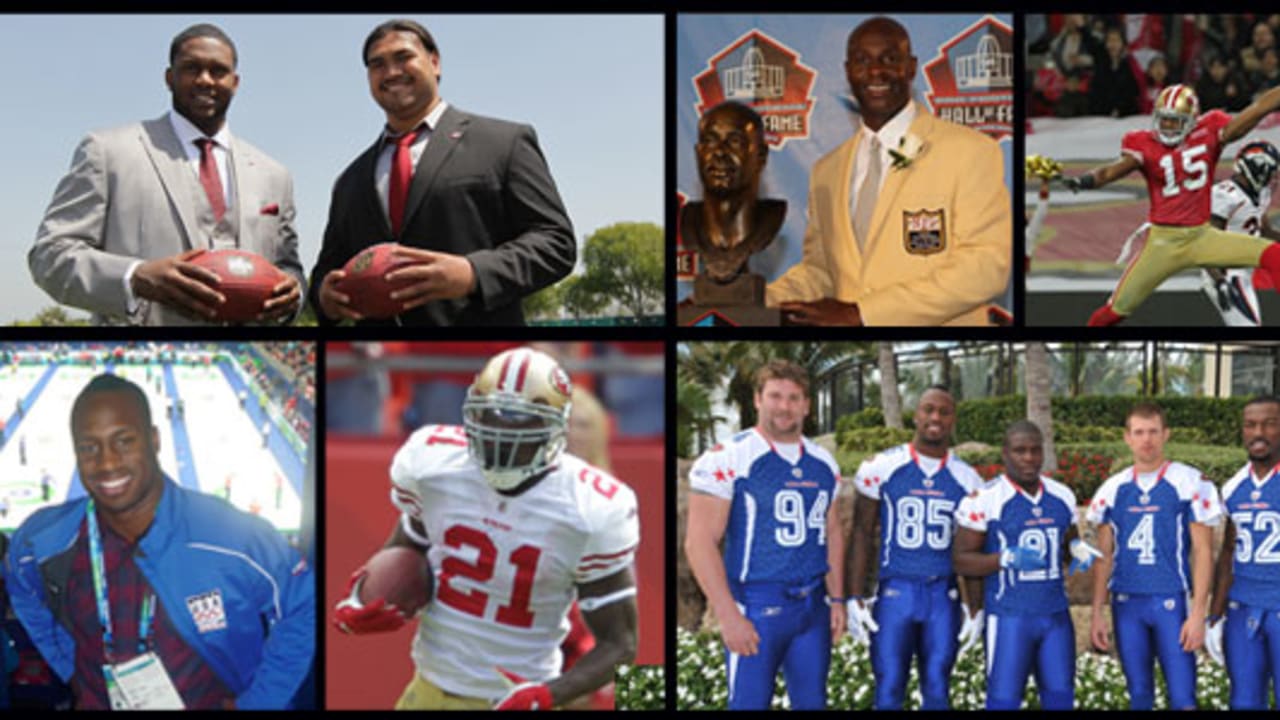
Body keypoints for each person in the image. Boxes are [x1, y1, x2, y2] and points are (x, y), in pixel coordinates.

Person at [333, 348, 638, 710]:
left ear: (555, 428)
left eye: (522, 423)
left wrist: (548, 694)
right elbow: (408, 548)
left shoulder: (590, 507)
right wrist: (362, 597)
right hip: (427, 686)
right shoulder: (435, 465)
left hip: (512, 696)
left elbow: (620, 644)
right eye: (491, 418)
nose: (503, 436)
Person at [2, 374, 314, 709]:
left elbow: (305, 605)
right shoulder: (44, 538)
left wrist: (257, 704)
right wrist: (69, 667)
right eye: (88, 447)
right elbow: (20, 583)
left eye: (124, 441)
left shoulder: (231, 536)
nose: (107, 463)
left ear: (154, 440)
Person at [28, 24, 304, 326]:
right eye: (191, 68)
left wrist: (293, 295)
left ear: (235, 82)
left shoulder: (274, 175)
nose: (205, 80)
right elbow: (50, 257)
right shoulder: (108, 151)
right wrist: (135, 277)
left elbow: (289, 268)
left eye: (218, 71)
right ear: (169, 78)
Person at [309, 19, 576, 327]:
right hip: (378, 362)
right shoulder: (350, 179)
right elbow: (327, 269)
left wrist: (473, 272)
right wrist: (325, 297)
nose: (391, 72)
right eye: (377, 64)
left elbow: (557, 243)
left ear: (434, 63)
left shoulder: (504, 142)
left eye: (403, 57)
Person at [766, 16, 1011, 326]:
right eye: (862, 61)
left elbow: (986, 268)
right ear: (847, 72)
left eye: (889, 59)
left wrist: (864, 314)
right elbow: (820, 273)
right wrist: (748, 304)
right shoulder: (826, 170)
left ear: (910, 67)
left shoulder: (970, 150)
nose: (875, 71)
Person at [684, 360, 844, 710]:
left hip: (812, 605)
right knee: (748, 704)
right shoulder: (730, 457)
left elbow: (831, 531)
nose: (784, 406)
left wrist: (838, 600)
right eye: (775, 396)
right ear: (757, 399)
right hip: (756, 603)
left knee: (813, 703)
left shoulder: (823, 462)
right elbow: (699, 542)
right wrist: (728, 615)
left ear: (806, 405)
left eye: (793, 397)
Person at [1061, 82, 1280, 325]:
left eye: (1174, 121)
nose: (1167, 126)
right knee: (1114, 312)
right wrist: (1084, 181)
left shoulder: (1209, 131)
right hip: (1163, 243)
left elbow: (1258, 109)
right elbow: (1111, 172)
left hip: (1201, 237)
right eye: (1163, 119)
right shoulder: (1143, 143)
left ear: (1191, 120)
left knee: (1274, 255)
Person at [845, 385, 984, 709]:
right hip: (896, 591)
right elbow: (862, 533)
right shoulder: (882, 466)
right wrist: (853, 596)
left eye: (944, 411)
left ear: (953, 419)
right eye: (928, 409)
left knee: (937, 688)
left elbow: (972, 550)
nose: (935, 417)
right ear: (916, 414)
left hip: (942, 594)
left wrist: (975, 607)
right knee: (889, 687)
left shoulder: (968, 479)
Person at [953, 420, 1100, 710]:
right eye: (1020, 451)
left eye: (1035, 450)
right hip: (1009, 617)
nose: (1029, 458)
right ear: (1005, 453)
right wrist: (1003, 559)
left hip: (1055, 616)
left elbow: (1069, 546)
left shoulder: (1062, 495)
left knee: (1060, 699)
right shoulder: (986, 499)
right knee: (1003, 702)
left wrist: (1081, 553)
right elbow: (961, 560)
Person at [1085, 402, 1221, 710]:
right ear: (1127, 437)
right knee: (1139, 695)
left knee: (1183, 696)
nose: (1146, 440)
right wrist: (1096, 612)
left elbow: (1202, 551)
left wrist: (1198, 612)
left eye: (1153, 432)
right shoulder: (1112, 488)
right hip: (1126, 602)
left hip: (1170, 600)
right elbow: (1103, 556)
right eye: (1139, 432)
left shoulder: (1189, 482)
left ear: (1166, 435)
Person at [1207, 396, 1280, 709]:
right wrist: (1215, 613)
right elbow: (1227, 555)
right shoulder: (1233, 487)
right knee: (1244, 701)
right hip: (1243, 610)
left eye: (1269, 423)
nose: (1258, 432)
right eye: (1250, 425)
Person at [1197, 141, 1280, 326]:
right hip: (1226, 273)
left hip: (1244, 272)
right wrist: (1219, 281)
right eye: (1268, 172)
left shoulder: (1260, 193)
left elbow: (1264, 230)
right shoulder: (1225, 195)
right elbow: (1203, 244)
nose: (1271, 179)